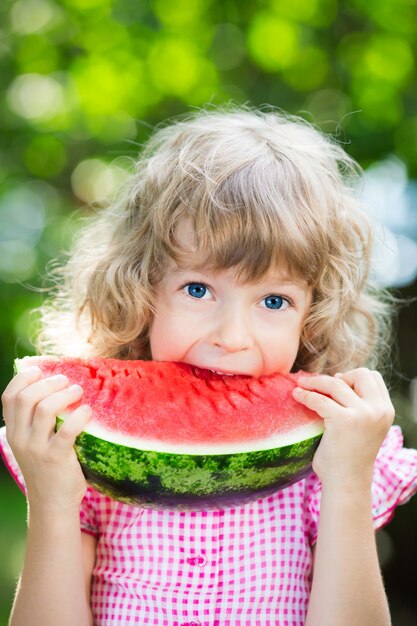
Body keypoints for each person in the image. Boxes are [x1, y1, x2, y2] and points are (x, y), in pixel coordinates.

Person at [1, 105, 417, 626]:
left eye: (273, 301)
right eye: (197, 289)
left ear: (314, 314)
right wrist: (54, 500)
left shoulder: (325, 466)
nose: (232, 338)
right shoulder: (90, 461)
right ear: (140, 287)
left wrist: (348, 482)